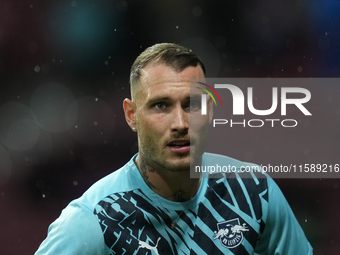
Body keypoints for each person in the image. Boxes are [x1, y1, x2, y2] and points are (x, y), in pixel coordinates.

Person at [35, 43, 313, 254]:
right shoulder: (93, 221)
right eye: (161, 105)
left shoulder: (254, 192)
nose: (180, 123)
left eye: (192, 104)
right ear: (131, 115)